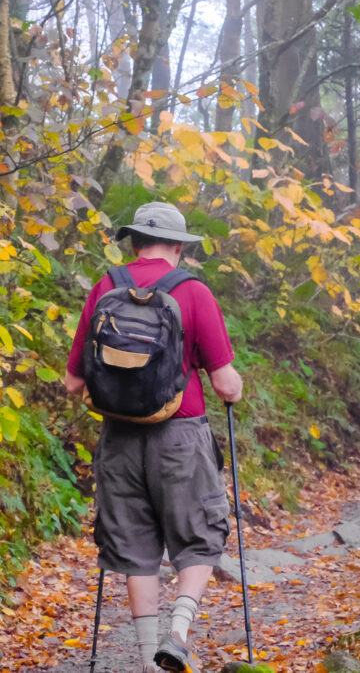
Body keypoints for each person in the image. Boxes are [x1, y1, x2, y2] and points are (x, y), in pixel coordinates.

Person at [64, 202, 243, 673]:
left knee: (134, 547)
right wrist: (235, 385)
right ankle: (178, 634)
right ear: (179, 247)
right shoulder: (192, 292)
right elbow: (225, 384)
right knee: (200, 537)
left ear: (134, 241)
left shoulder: (106, 287)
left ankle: (148, 662)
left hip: (119, 440)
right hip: (180, 437)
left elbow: (73, 382)